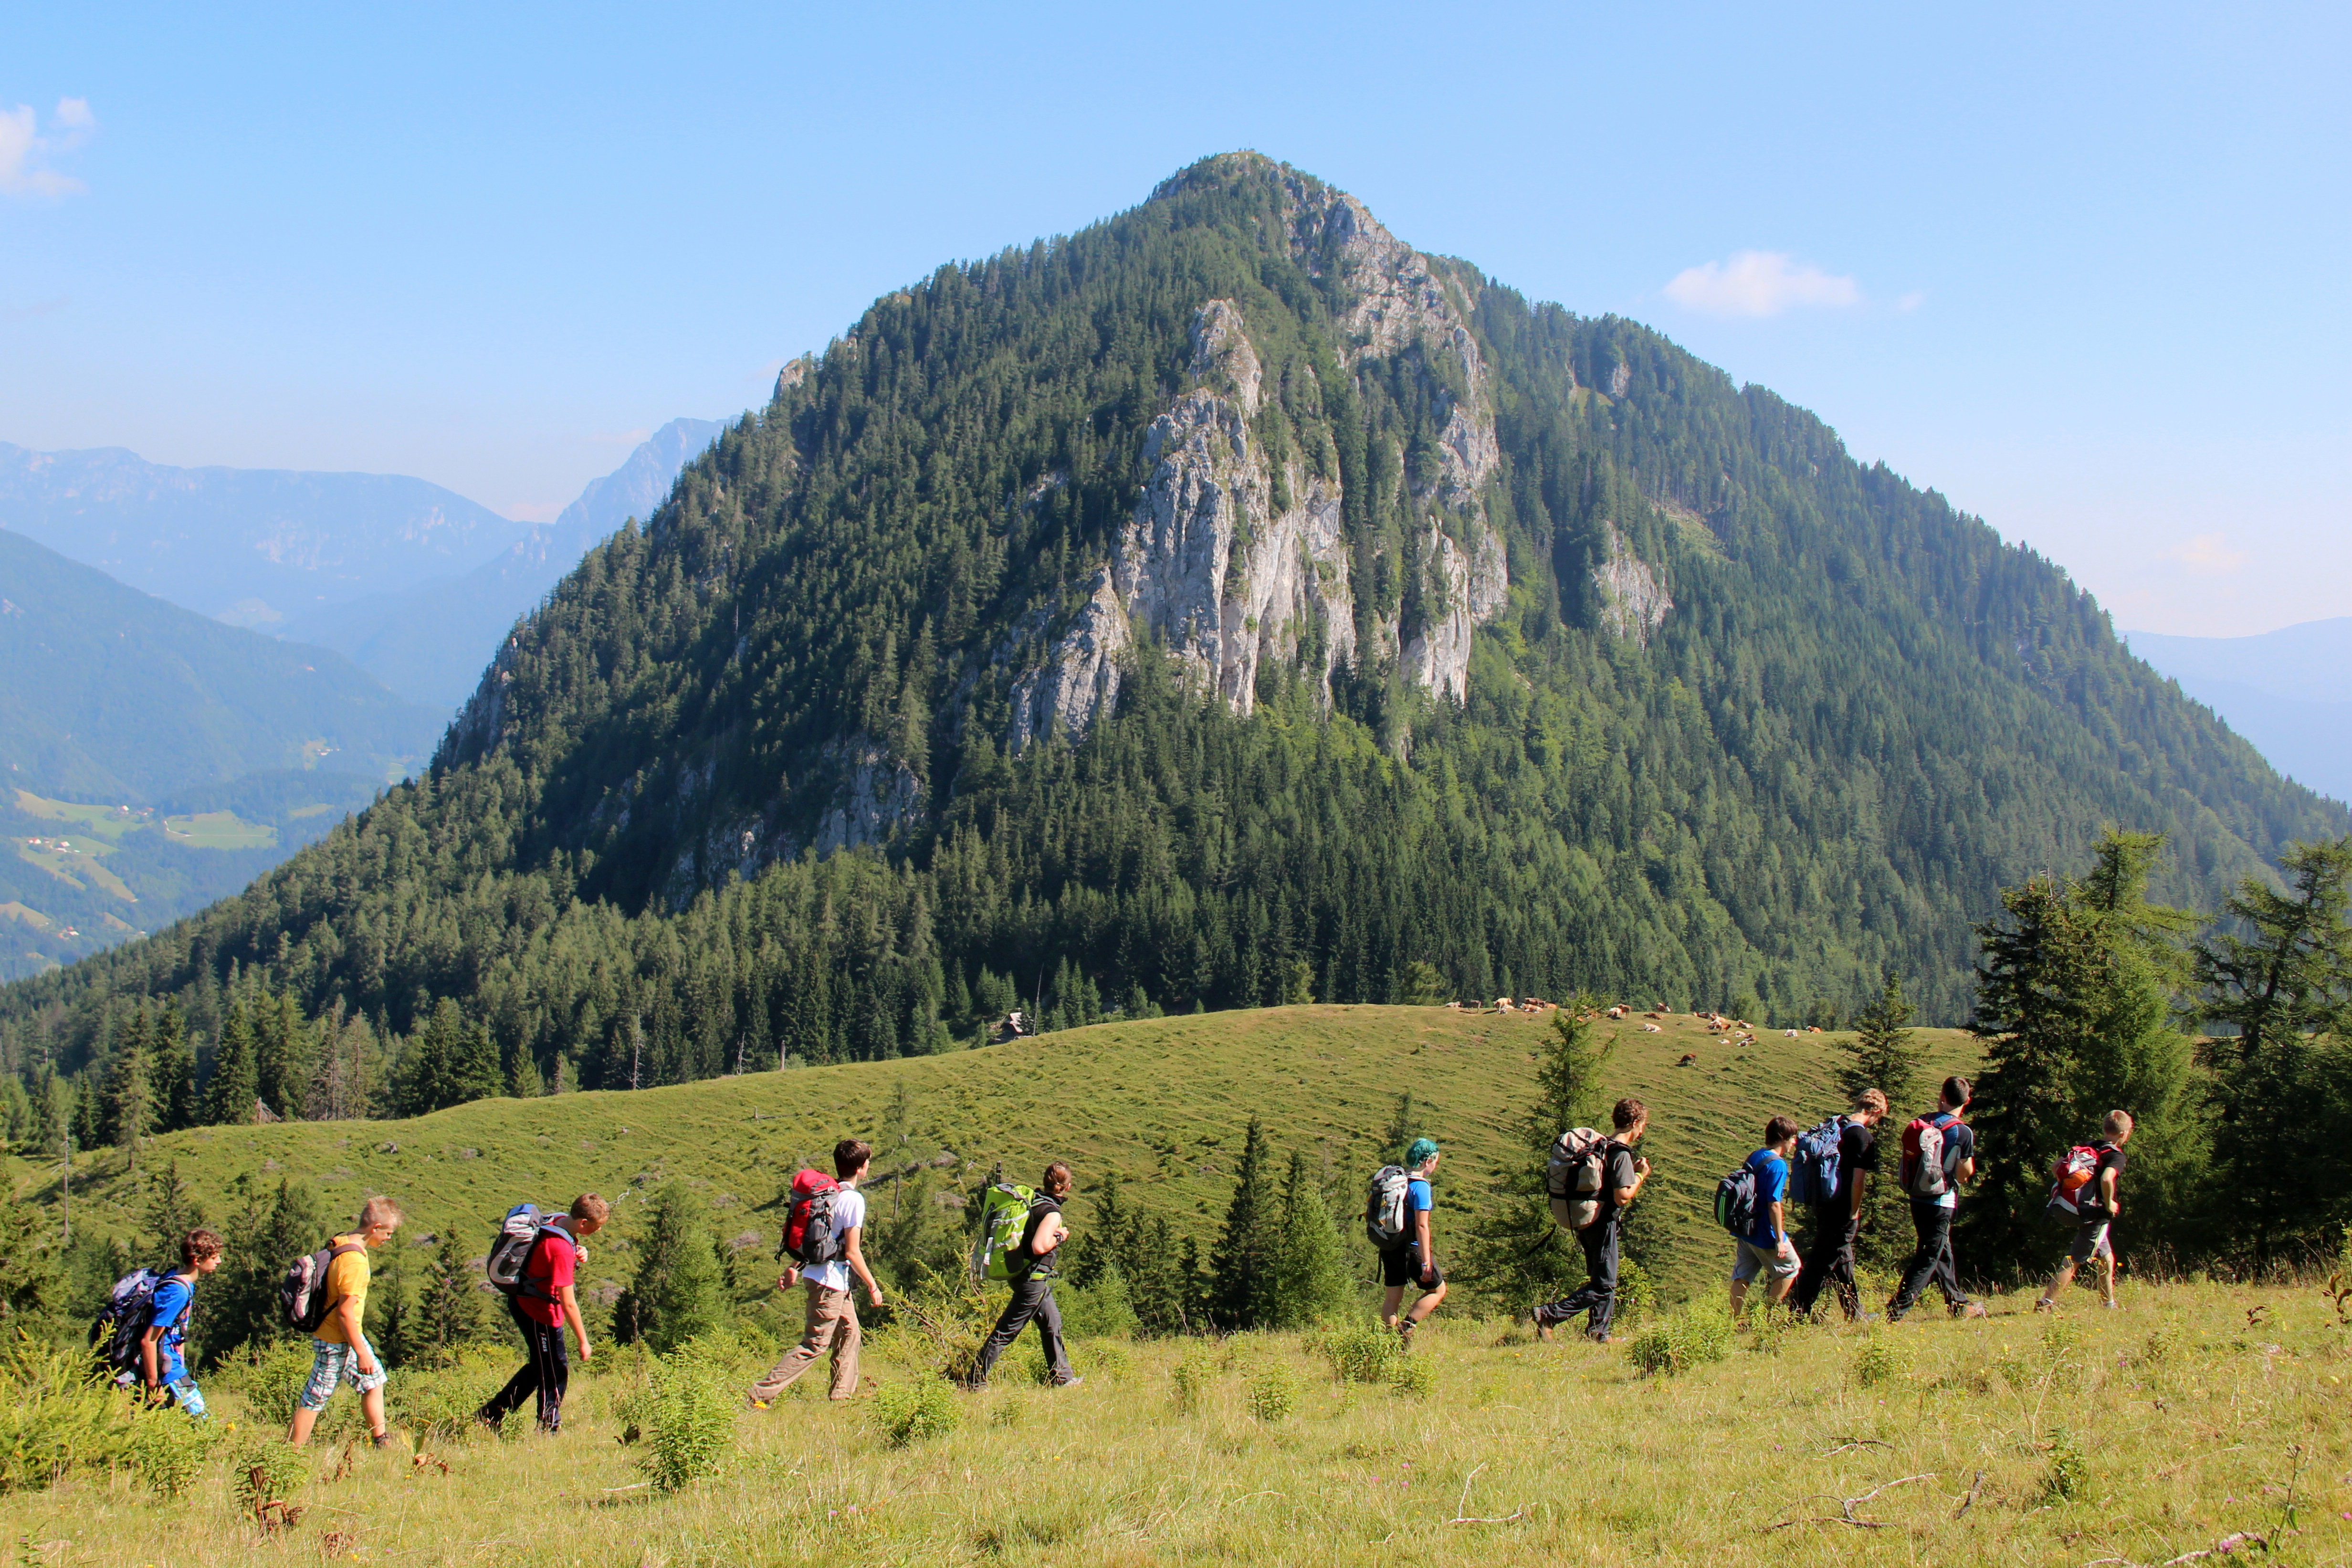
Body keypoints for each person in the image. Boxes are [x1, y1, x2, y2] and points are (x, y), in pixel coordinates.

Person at [749, 1138, 886, 1406]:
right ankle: (759, 1394)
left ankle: (842, 1398)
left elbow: (821, 1240)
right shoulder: (853, 1200)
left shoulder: (828, 1195)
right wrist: (872, 1284)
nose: (868, 1166)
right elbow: (851, 1252)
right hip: (830, 1282)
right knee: (814, 1345)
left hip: (825, 1278)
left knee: (850, 1333)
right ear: (860, 1168)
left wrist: (793, 1267)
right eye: (868, 1162)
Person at [478, 1194, 609, 1435]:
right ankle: (549, 1429)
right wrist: (583, 1342)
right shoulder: (560, 1248)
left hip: (523, 1302)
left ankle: (491, 1415)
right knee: (555, 1372)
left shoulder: (558, 1221)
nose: (598, 1231)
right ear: (583, 1223)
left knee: (540, 1367)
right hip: (541, 1314)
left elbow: (559, 1248)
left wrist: (580, 1250)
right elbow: (569, 1303)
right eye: (596, 1227)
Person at [1532, 1097, 1650, 1344]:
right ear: (1636, 1123)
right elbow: (1623, 1196)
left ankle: (1599, 1333)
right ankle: (1549, 1314)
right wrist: (1640, 1175)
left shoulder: (1601, 1146)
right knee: (1605, 1284)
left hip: (1586, 1218)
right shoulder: (1620, 1153)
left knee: (1603, 1279)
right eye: (1643, 1125)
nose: (1642, 1131)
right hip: (1602, 1223)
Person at [288, 1195, 404, 1447]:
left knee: (374, 1381)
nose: (389, 1239)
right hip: (335, 1339)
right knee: (315, 1398)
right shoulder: (354, 1261)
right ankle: (290, 1452)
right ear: (375, 1229)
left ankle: (381, 1440)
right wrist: (361, 1352)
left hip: (344, 1336)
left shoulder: (342, 1240)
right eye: (388, 1233)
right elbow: (345, 1313)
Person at [967, 1162, 1081, 1389]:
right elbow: (1040, 1246)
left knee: (1052, 1323)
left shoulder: (1034, 1201)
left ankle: (1062, 1378)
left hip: (1023, 1274)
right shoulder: (1052, 1212)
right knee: (1006, 1331)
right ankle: (973, 1380)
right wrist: (1060, 1237)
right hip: (1033, 1280)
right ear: (1067, 1188)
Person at [1887, 1076, 1987, 1322]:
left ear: (1942, 1096)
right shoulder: (1962, 1132)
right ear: (1967, 1101)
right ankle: (1894, 1312)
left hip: (1917, 1197)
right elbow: (1964, 1175)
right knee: (1929, 1256)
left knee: (1941, 1250)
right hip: (1941, 1201)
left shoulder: (1924, 1120)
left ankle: (1958, 1304)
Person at [1790, 1089, 1889, 1321]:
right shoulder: (1862, 1138)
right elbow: (1858, 1181)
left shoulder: (1836, 1126)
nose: (1877, 1122)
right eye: (1879, 1117)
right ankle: (1796, 1313)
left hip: (1824, 1202)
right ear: (1875, 1111)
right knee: (1819, 1264)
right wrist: (1854, 1212)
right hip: (1842, 1208)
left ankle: (1854, 1313)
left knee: (1842, 1259)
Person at [2036, 1110, 2134, 1313]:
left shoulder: (2089, 1146)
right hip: (2094, 1215)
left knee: (2107, 1258)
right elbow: (2107, 1178)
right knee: (2074, 1259)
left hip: (2066, 1207)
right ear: (2124, 1134)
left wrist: (2070, 1190)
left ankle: (2109, 1305)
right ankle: (2045, 1304)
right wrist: (2109, 1204)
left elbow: (2056, 1166)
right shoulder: (2116, 1156)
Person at [137, 1228, 225, 1419]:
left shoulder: (175, 1277)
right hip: (167, 1369)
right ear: (197, 1260)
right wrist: (154, 1385)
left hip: (171, 1368)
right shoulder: (178, 1292)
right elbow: (149, 1340)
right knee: (202, 1420)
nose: (219, 1261)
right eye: (214, 1257)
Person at [1730, 1115, 1804, 1323]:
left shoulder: (1756, 1156)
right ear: (1783, 1138)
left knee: (1742, 1275)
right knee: (1791, 1267)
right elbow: (1774, 1203)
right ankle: (1763, 1318)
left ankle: (1732, 1322)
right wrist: (1779, 1238)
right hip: (1764, 1232)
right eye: (1793, 1138)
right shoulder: (1778, 1165)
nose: (1795, 1143)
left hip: (1746, 1227)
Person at [1379, 1137, 1448, 1350]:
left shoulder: (1396, 1182)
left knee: (1392, 1299)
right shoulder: (1421, 1187)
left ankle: (1387, 1345)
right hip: (1413, 1249)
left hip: (1390, 1246)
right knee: (1438, 1291)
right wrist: (1426, 1262)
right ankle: (1407, 1327)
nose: (1436, 1165)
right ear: (1428, 1161)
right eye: (1435, 1161)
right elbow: (1422, 1227)